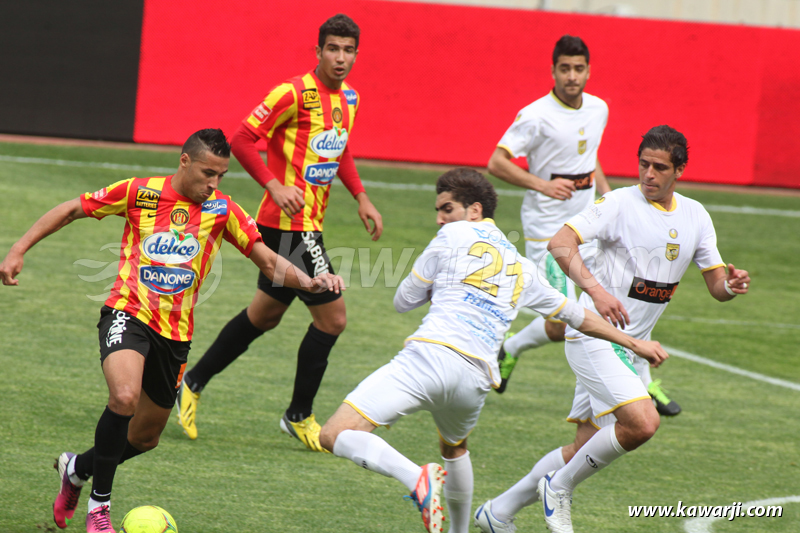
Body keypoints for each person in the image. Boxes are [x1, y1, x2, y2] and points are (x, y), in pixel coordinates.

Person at [0, 129, 343, 533]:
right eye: (207, 173)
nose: (213, 183)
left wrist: (310, 282)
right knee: (124, 396)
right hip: (127, 313)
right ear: (184, 162)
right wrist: (18, 249)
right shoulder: (140, 192)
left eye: (221, 175)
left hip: (176, 334)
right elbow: (72, 209)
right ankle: (99, 509)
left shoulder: (222, 209)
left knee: (145, 437)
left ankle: (76, 470)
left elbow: (268, 262)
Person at [318, 168, 668, 533]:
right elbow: (577, 316)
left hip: (430, 357)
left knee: (334, 433)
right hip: (476, 380)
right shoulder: (522, 266)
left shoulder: (451, 235)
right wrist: (634, 342)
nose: (439, 218)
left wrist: (440, 285)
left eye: (446, 208)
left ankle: (415, 478)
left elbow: (403, 301)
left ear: (474, 210)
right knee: (454, 448)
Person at [474, 125, 750, 533]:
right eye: (644, 165)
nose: (649, 175)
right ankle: (559, 489)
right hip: (593, 335)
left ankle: (497, 512)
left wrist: (731, 286)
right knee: (643, 423)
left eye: (659, 167)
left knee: (585, 447)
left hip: (627, 349)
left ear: (680, 171)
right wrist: (596, 291)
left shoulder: (695, 216)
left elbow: (715, 286)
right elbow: (560, 242)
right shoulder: (619, 203)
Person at [176, 13, 382, 452]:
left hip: (308, 224)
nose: (340, 58)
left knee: (264, 315)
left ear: (356, 54)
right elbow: (243, 139)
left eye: (348, 50)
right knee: (334, 317)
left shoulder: (350, 99)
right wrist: (274, 184)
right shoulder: (292, 92)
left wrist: (361, 195)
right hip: (288, 226)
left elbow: (339, 151)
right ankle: (298, 414)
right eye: (333, 49)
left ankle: (191, 381)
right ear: (318, 51)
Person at [487, 35, 680, 416]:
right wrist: (543, 184)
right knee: (562, 324)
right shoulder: (535, 115)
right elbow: (496, 162)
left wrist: (610, 201)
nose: (572, 76)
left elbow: (590, 159)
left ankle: (643, 383)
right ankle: (510, 347)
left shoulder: (598, 109)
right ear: (553, 71)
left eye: (578, 69)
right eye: (565, 69)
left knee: (628, 298)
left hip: (591, 227)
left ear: (589, 71)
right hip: (549, 234)